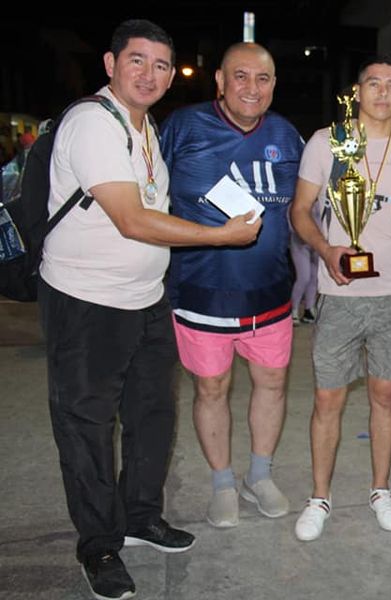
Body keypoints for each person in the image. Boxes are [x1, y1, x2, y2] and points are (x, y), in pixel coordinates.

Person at [38, 20, 260, 600]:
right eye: (137, 61)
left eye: (161, 65)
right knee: (88, 427)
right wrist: (220, 236)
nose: (150, 74)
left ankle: (140, 517)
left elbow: (156, 205)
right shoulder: (93, 122)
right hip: (87, 302)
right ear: (110, 64)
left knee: (152, 416)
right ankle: (99, 545)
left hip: (146, 299)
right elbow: (133, 220)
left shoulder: (147, 128)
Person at [291, 57, 391, 541]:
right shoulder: (327, 142)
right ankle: (319, 497)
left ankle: (381, 490)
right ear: (358, 92)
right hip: (340, 293)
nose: (383, 92)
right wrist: (325, 250)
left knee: (385, 397)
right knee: (328, 398)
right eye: (373, 83)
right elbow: (300, 211)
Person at [161, 42, 304, 529]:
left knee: (272, 384)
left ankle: (258, 476)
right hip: (202, 292)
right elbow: (148, 198)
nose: (251, 88)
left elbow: (303, 209)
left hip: (270, 294)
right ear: (220, 81)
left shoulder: (286, 135)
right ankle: (223, 482)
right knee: (211, 388)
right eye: (240, 76)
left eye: (262, 78)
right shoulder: (183, 126)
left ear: (274, 85)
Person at [290, 231, 318, 324]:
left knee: (314, 277)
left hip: (318, 241)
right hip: (300, 240)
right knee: (304, 277)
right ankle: (293, 309)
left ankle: (309, 309)